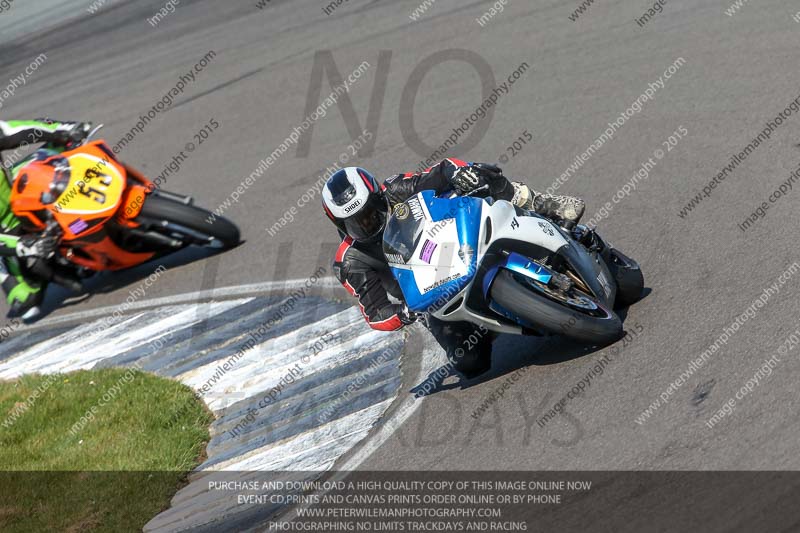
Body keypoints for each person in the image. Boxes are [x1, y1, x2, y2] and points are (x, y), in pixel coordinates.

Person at [322, 159, 585, 378]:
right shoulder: (350, 261)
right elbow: (375, 313)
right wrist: (404, 312)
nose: (368, 224)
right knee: (470, 362)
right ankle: (498, 318)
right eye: (356, 223)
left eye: (372, 213)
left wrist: (461, 173)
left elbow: (444, 169)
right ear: (339, 225)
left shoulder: (397, 188)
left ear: (379, 195)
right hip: (431, 296)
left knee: (480, 176)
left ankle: (539, 204)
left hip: (455, 242)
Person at [0, 119, 93, 320]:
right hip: (8, 239)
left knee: (62, 144)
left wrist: (62, 129)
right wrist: (22, 247)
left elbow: (14, 131)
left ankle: (103, 192)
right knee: (27, 302)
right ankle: (29, 278)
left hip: (17, 196)